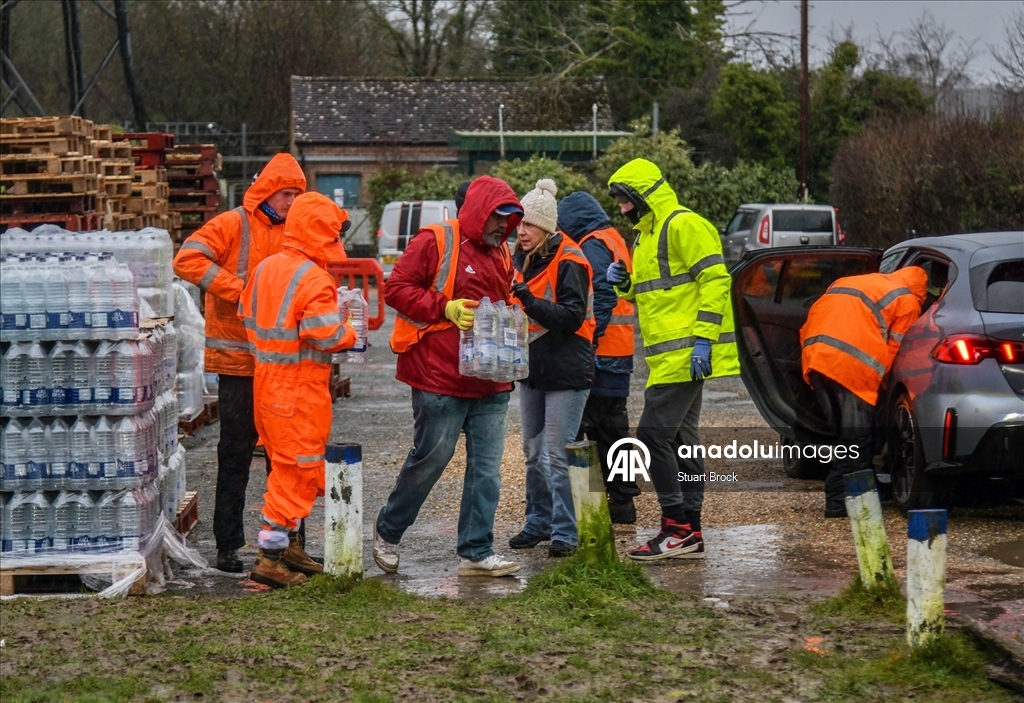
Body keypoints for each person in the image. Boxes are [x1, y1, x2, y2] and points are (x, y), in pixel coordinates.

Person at [375, 176, 524, 577]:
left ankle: (476, 550)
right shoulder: (436, 240)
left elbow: (507, 298)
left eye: (509, 219)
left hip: (491, 378)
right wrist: (444, 307)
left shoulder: (502, 251)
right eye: (498, 217)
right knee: (431, 459)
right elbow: (396, 289)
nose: (504, 225)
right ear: (479, 212)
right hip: (439, 375)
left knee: (487, 469)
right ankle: (388, 531)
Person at [173, 153, 306, 573]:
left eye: (297, 194)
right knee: (235, 453)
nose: (292, 202)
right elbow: (187, 259)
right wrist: (239, 289)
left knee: (287, 458)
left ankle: (287, 546)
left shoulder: (298, 229)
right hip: (238, 363)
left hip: (282, 363)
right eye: (286, 193)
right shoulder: (233, 224)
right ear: (267, 191)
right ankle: (228, 545)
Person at [606, 158, 740, 561]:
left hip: (687, 355)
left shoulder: (683, 224)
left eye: (625, 199)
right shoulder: (645, 237)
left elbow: (716, 280)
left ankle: (677, 528)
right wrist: (627, 286)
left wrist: (704, 341)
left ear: (644, 194)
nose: (621, 207)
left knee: (652, 438)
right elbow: (661, 293)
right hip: (669, 359)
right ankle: (690, 530)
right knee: (681, 441)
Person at [238, 192, 357, 588]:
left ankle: (287, 547)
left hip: (266, 383)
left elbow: (246, 315)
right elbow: (324, 334)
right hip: (298, 390)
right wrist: (349, 331)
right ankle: (270, 557)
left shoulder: (266, 267)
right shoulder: (314, 278)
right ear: (323, 231)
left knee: (283, 467)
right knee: (296, 473)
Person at [505, 180, 594, 558]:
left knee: (556, 455)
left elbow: (572, 318)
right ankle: (538, 522)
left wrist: (528, 301)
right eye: (519, 224)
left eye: (529, 225)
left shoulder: (571, 259)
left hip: (566, 368)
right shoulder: (521, 257)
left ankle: (565, 532)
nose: (521, 231)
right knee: (532, 452)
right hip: (534, 368)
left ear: (546, 227)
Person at [800, 267, 928, 517]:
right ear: (921, 293)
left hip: (815, 358)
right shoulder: (908, 301)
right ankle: (838, 503)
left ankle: (864, 491)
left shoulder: (854, 280)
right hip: (851, 367)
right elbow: (896, 352)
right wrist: (886, 389)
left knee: (845, 436)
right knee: (856, 441)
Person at [557, 190, 640, 523]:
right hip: (618, 351)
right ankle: (623, 502)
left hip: (600, 354)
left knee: (579, 433)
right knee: (614, 431)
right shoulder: (612, 238)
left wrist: (588, 342)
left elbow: (602, 295)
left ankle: (588, 509)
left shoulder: (591, 244)